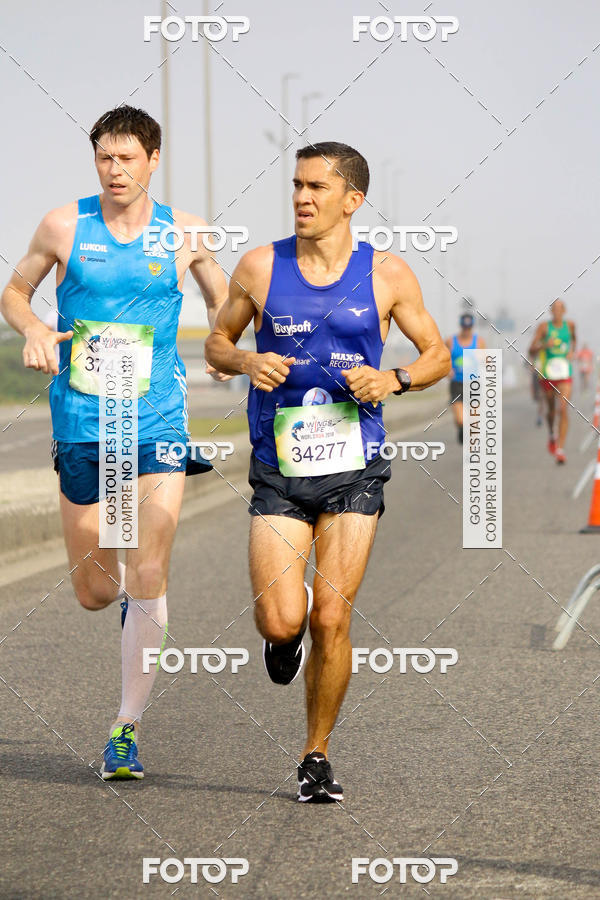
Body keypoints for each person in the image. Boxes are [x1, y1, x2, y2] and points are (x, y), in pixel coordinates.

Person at [205, 141, 450, 802]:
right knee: (284, 622)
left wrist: (394, 378)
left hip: (354, 467)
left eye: (316, 187)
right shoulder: (260, 266)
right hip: (279, 467)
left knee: (331, 618)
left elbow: (437, 356)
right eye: (296, 185)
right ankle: (279, 647)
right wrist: (245, 363)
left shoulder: (389, 275)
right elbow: (218, 340)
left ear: (352, 200)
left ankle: (316, 754)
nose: (302, 198)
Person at [0, 105, 229, 779]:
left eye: (127, 158)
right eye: (105, 158)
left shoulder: (184, 232)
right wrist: (34, 332)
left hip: (155, 419)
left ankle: (124, 727)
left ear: (153, 160)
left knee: (149, 567)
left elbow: (222, 295)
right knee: (97, 590)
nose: (115, 169)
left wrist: (225, 340)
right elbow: (14, 292)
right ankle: (129, 599)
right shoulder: (64, 224)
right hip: (80, 423)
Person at [529, 299, 576, 464]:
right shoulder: (544, 327)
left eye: (559, 308)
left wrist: (571, 352)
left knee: (563, 408)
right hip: (548, 374)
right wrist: (543, 345)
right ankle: (551, 434)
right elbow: (531, 349)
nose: (557, 311)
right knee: (551, 411)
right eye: (554, 309)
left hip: (564, 372)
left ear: (564, 311)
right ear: (551, 311)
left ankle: (560, 449)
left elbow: (574, 341)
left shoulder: (570, 325)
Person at [445, 312, 486, 443]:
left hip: (474, 384)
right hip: (457, 384)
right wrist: (448, 370)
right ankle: (461, 429)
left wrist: (483, 360)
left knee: (474, 422)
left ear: (472, 327)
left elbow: (485, 360)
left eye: (469, 328)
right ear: (461, 326)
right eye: (464, 327)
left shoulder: (479, 341)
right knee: (460, 419)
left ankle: (472, 450)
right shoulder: (451, 341)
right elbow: (442, 359)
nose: (466, 330)